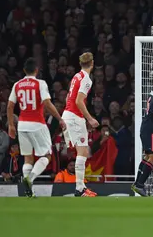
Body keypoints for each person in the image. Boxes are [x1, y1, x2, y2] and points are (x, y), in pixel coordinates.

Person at [7, 57, 66, 197]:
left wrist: (11, 125)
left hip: (21, 125)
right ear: (37, 70)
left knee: (28, 158)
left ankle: (29, 192)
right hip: (37, 123)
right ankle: (30, 178)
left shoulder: (17, 84)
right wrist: (59, 118)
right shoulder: (40, 83)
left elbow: (10, 106)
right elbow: (47, 103)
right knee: (47, 155)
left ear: (24, 70)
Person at [62, 52, 99, 197]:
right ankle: (80, 188)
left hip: (69, 115)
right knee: (82, 152)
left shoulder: (76, 76)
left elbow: (68, 97)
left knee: (80, 151)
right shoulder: (86, 79)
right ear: (92, 63)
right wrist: (89, 118)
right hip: (74, 117)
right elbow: (78, 101)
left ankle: (81, 187)